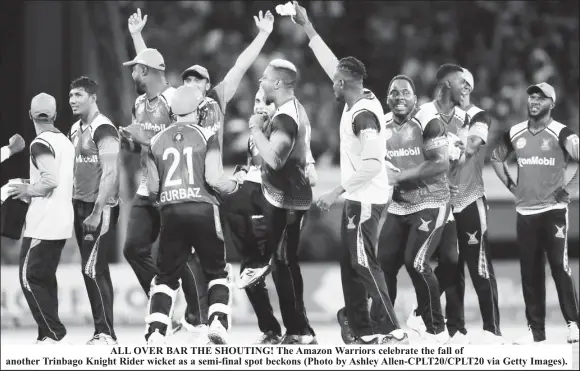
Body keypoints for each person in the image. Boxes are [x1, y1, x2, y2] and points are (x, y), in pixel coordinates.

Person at [125, 8, 275, 335]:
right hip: (187, 190)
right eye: (188, 79)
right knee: (194, 257)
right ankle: (201, 316)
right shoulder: (175, 106)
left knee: (204, 258)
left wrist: (263, 35)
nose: (192, 82)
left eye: (198, 79)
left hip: (210, 191)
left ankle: (191, 316)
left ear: (208, 85)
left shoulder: (218, 99)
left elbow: (240, 66)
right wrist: (138, 37)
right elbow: (149, 74)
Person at [291, 1, 407, 345]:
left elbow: (370, 165)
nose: (331, 84)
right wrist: (308, 28)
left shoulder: (364, 116)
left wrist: (334, 192)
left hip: (365, 198)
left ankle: (388, 327)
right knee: (350, 262)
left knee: (362, 261)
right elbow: (334, 65)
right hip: (361, 196)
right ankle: (360, 328)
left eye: (335, 81)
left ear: (343, 83)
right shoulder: (357, 97)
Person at [120, 46, 209, 337]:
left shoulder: (174, 100)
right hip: (148, 188)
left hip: (174, 188)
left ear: (145, 72)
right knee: (133, 248)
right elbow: (144, 145)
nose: (132, 72)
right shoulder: (138, 104)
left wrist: (142, 138)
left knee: (178, 254)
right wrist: (128, 143)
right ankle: (163, 310)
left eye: (135, 68)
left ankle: (198, 318)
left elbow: (181, 141)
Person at [145, 85, 238, 345]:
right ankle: (217, 321)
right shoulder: (208, 135)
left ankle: (156, 331)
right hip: (203, 209)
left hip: (171, 212)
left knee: (166, 276)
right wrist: (235, 184)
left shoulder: (154, 142)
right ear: (197, 110)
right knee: (216, 271)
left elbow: (153, 188)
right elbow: (214, 179)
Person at [223, 88, 317, 344]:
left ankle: (300, 330)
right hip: (260, 205)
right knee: (251, 269)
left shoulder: (285, 130)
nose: (260, 106)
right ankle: (271, 330)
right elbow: (254, 165)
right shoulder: (254, 136)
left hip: (285, 204)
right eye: (256, 100)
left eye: (267, 102)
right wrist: (242, 171)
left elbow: (299, 155)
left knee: (282, 263)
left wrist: (310, 166)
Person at [491, 82, 579, 345]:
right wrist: (511, 186)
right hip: (525, 211)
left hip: (553, 211)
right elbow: (496, 158)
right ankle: (535, 331)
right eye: (531, 97)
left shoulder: (561, 132)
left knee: (559, 267)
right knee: (530, 272)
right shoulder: (515, 132)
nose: (534, 101)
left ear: (552, 103)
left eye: (541, 98)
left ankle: (573, 324)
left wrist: (569, 190)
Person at [441, 68, 503, 345]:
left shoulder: (479, 115)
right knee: (451, 267)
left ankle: (492, 330)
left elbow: (473, 145)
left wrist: (448, 149)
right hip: (444, 201)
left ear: (466, 87)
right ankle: (455, 330)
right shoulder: (439, 117)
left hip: (469, 199)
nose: (455, 88)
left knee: (479, 267)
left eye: (460, 84)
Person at [7, 93, 75, 344]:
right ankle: (46, 335)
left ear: (30, 115)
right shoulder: (66, 143)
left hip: (44, 223)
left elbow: (50, 181)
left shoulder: (40, 143)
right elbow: (63, 179)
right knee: (45, 279)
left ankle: (55, 333)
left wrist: (29, 190)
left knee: (28, 277)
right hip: (61, 220)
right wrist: (28, 183)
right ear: (55, 115)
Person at [68, 77, 120, 344]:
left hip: (99, 207)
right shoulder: (75, 129)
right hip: (80, 205)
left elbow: (110, 173)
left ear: (93, 97)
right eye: (70, 96)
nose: (72, 100)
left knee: (92, 269)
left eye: (78, 95)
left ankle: (105, 333)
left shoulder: (104, 129)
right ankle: (104, 330)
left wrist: (98, 211)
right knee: (93, 268)